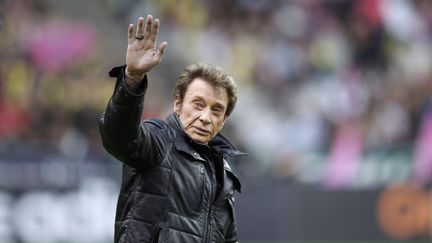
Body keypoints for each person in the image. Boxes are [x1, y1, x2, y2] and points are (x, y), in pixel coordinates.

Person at [99, 15, 245, 243]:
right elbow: (117, 135)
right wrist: (133, 78)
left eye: (216, 110)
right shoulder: (159, 140)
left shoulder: (223, 171)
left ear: (224, 119)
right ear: (178, 103)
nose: (205, 117)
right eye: (198, 104)